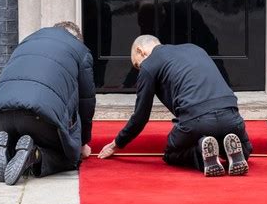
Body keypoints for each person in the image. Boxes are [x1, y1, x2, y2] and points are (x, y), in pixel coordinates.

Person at [98, 35, 252, 177]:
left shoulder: (149, 65)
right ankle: (229, 151)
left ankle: (201, 151)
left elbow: (140, 117)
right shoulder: (195, 48)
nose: (140, 69)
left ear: (140, 51)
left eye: (137, 64)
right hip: (231, 115)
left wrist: (116, 144)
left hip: (196, 120)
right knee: (246, 149)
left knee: (171, 154)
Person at [0, 21, 96, 185]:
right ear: (78, 39)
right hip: (40, 118)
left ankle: (7, 146)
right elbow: (86, 102)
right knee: (69, 157)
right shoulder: (80, 50)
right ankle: (35, 155)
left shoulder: (27, 41)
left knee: (20, 135)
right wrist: (81, 144)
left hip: (0, 117)